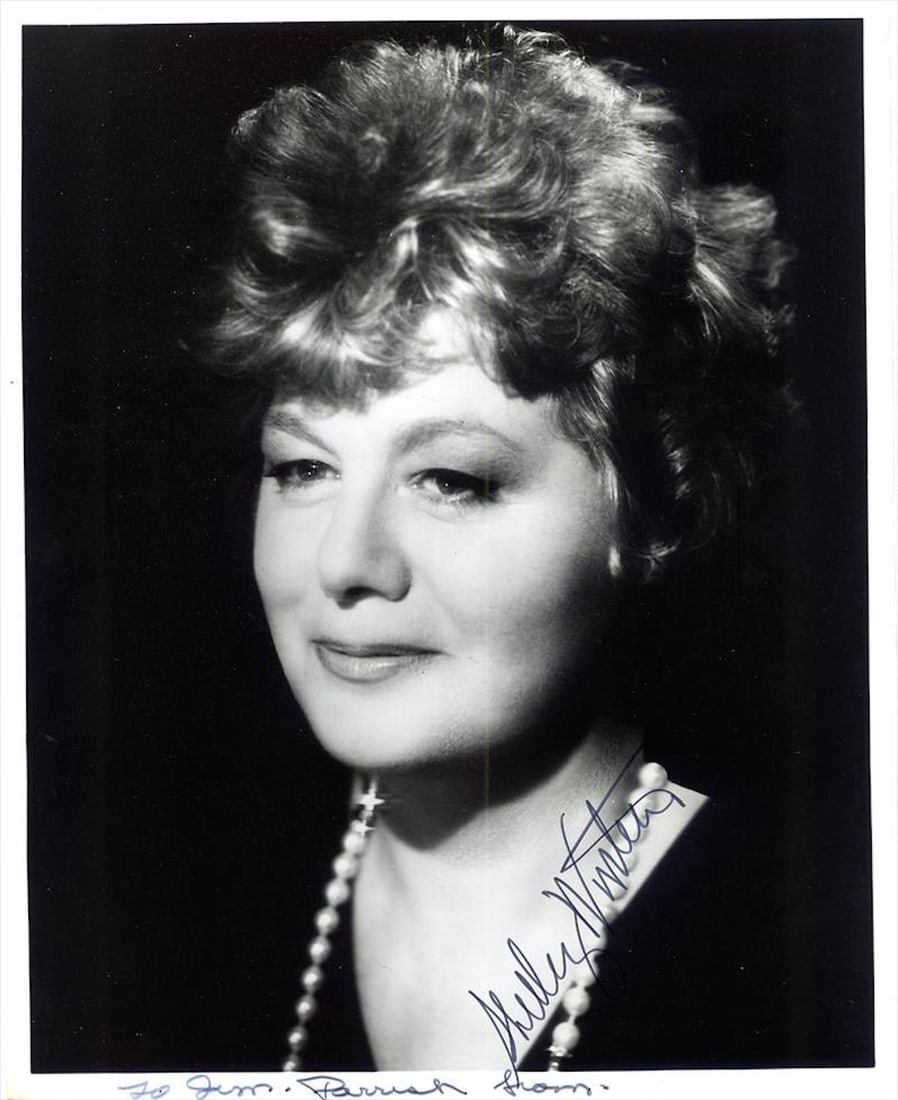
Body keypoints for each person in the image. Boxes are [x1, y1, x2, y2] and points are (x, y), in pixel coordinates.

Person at [198, 26, 798, 1073]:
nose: (345, 562)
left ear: (653, 512)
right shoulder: (188, 902)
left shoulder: (800, 967)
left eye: (451, 479)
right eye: (302, 468)